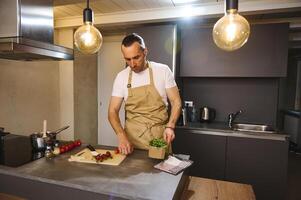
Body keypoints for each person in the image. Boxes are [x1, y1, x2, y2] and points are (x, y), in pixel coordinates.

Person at [108, 33, 182, 155]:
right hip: (131, 142)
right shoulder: (121, 77)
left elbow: (176, 102)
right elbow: (112, 111)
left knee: (160, 174)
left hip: (160, 139)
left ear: (145, 52)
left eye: (136, 57)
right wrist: (121, 135)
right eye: (127, 59)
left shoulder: (163, 71)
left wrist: (170, 126)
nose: (132, 64)